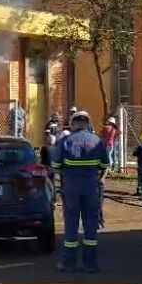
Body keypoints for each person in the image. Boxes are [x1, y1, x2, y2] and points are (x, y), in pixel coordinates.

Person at [51, 111, 109, 273]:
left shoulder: (65, 141)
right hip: (91, 188)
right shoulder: (97, 142)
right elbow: (105, 165)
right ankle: (90, 264)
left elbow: (56, 166)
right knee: (90, 225)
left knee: (71, 224)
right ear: (88, 124)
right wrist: (99, 178)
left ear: (73, 123)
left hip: (71, 188)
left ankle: (69, 263)